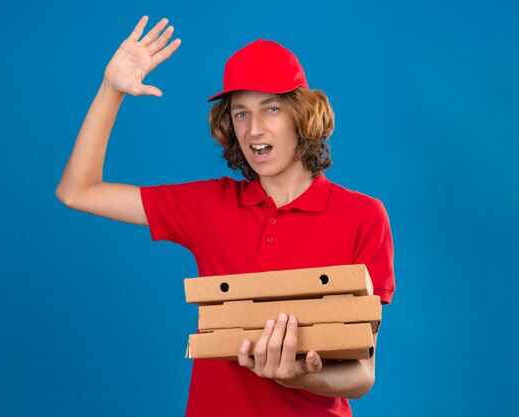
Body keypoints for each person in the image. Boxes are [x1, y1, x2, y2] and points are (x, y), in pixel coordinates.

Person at [56, 15, 395, 417]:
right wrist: (110, 90)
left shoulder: (361, 215)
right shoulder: (208, 207)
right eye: (240, 113)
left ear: (301, 115)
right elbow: (78, 191)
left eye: (270, 108)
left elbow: (362, 375)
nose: (253, 129)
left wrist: (296, 376)